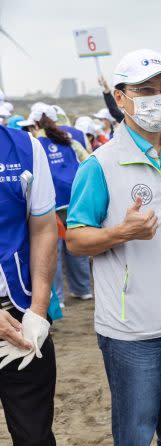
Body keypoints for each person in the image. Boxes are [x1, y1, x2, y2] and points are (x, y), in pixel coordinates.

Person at [65, 48, 161, 445]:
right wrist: (120, 232)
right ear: (120, 97)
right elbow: (76, 239)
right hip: (133, 333)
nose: (158, 99)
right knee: (135, 432)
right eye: (145, 90)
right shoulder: (100, 165)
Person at [0, 124, 58, 445]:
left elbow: (44, 228)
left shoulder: (26, 148)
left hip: (22, 319)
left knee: (34, 434)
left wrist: (38, 310)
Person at [22, 104, 92, 306]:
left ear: (35, 123)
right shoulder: (69, 140)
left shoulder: (34, 143)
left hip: (51, 203)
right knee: (76, 248)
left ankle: (58, 297)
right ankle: (83, 289)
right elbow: (87, 160)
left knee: (52, 251)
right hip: (74, 200)